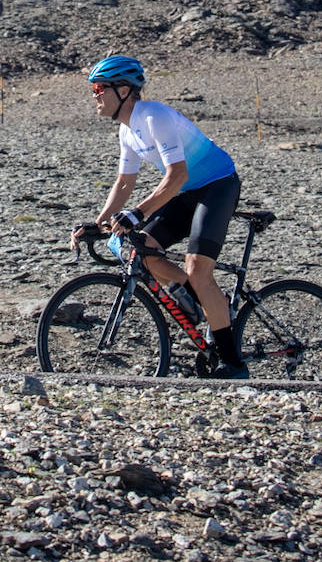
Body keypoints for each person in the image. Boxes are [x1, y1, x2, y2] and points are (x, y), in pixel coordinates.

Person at [70, 54, 248, 379]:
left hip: (218, 185)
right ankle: (205, 303)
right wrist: (98, 224)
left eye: (98, 88)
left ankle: (233, 362)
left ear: (123, 89)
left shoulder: (154, 117)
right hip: (189, 192)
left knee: (198, 269)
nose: (94, 96)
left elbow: (176, 175)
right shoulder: (127, 131)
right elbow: (124, 182)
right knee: (143, 250)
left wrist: (137, 213)